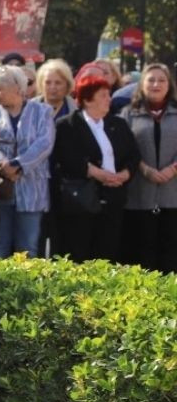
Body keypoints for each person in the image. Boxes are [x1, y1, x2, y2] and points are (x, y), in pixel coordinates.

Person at [51, 75, 139, 262]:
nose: (109, 99)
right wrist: (100, 175)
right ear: (87, 99)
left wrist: (124, 174)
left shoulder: (117, 124)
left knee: (108, 252)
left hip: (113, 197)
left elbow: (133, 154)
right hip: (82, 200)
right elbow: (68, 157)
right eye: (104, 95)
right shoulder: (68, 125)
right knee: (79, 252)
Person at [0, 66, 54, 258]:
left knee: (28, 247)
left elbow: (44, 144)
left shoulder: (42, 111)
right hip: (0, 188)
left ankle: (26, 288)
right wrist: (2, 166)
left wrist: (17, 164)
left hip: (32, 189)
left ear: (16, 88)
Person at [120, 64, 177, 271]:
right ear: (141, 85)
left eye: (161, 80)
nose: (156, 84)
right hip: (140, 195)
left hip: (173, 195)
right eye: (151, 80)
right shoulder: (128, 114)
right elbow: (124, 149)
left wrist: (173, 169)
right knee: (142, 252)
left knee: (171, 251)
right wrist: (144, 169)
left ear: (169, 85)